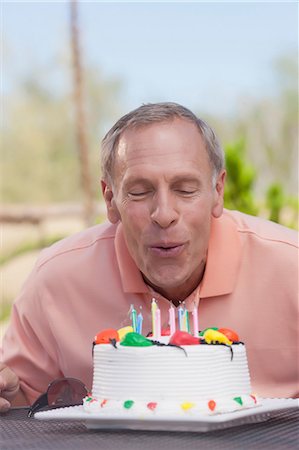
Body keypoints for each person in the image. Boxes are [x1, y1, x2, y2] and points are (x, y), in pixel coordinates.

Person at [0, 102, 298, 412]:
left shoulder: (293, 270)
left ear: (218, 191)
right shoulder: (55, 282)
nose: (164, 215)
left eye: (185, 189)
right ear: (111, 199)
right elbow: (20, 406)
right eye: (140, 192)